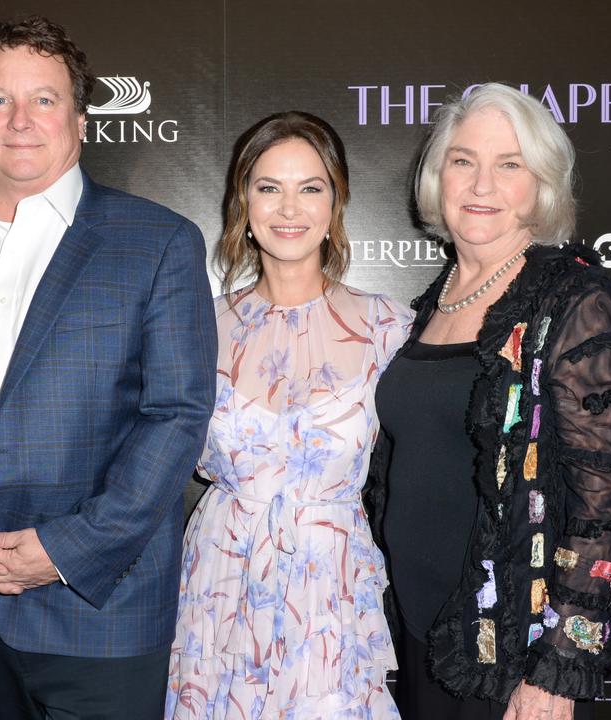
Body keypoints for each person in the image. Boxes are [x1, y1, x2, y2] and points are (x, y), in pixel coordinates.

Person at [0, 16, 216, 720]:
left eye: (44, 99)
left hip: (102, 614)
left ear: (81, 119)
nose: (20, 120)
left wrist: (65, 550)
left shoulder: (157, 242)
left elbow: (175, 416)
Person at [367, 83, 611, 720]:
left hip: (514, 655)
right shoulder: (432, 304)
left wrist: (560, 668)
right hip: (423, 634)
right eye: (462, 161)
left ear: (542, 186)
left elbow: (601, 503)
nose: (480, 184)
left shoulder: (572, 301)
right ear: (437, 177)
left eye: (509, 165)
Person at [166, 111, 410, 719]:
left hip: (331, 586)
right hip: (220, 581)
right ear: (243, 203)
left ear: (336, 203)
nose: (288, 208)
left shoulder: (390, 327)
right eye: (268, 188)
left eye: (311, 188)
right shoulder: (198, 326)